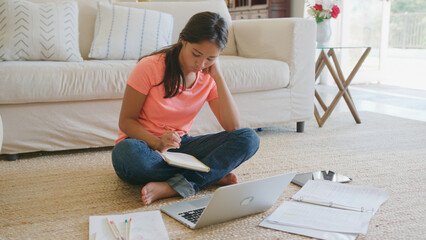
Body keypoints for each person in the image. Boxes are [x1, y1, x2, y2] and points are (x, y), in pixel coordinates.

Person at [111, 11, 260, 205]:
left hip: (181, 147)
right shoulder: (149, 67)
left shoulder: (208, 76)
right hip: (144, 145)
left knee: (249, 138)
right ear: (183, 40)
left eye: (211, 58)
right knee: (126, 154)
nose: (200, 64)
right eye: (196, 54)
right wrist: (156, 143)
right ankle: (209, 174)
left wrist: (218, 76)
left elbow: (233, 126)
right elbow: (126, 121)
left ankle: (174, 186)